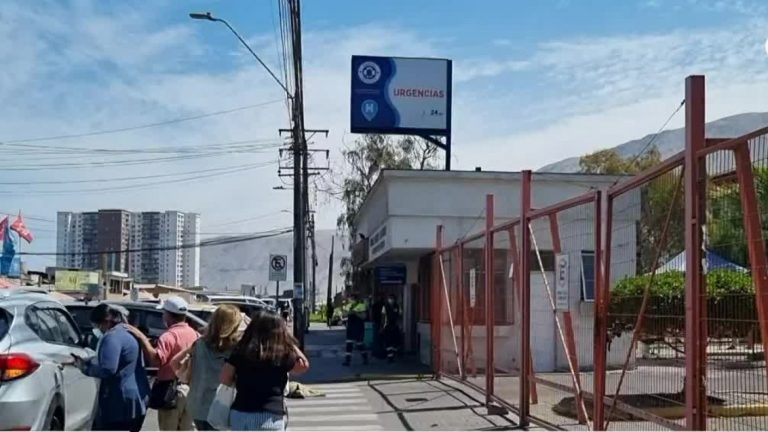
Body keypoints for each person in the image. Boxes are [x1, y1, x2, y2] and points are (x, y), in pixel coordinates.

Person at [221, 310, 310, 430]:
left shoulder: (241, 351)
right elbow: (303, 366)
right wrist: (289, 343)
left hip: (241, 413)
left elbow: (224, 378)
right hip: (270, 415)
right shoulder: (282, 354)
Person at [72, 303, 149, 432]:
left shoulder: (111, 338)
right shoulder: (126, 333)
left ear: (105, 322)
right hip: (136, 399)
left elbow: (108, 369)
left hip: (120, 402)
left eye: (96, 325)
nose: (96, 329)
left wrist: (84, 368)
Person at [127, 296, 199, 431]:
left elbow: (157, 361)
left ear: (168, 315)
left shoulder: (168, 336)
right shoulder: (193, 334)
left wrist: (143, 339)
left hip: (171, 391)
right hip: (191, 389)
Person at [169, 304, 243, 431]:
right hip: (223, 407)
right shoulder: (237, 349)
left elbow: (175, 362)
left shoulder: (199, 343)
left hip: (197, 405)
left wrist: (187, 377)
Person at [342, 293, 369, 366]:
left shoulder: (361, 305)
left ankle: (365, 358)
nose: (350, 300)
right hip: (350, 327)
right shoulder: (348, 306)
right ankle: (347, 361)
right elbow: (344, 314)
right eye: (350, 299)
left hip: (359, 327)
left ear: (356, 299)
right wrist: (347, 313)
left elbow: (364, 316)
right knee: (349, 344)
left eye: (352, 299)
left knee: (359, 344)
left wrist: (355, 313)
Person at [381, 294, 402, 363]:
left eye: (392, 299)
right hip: (387, 326)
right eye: (390, 298)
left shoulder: (397, 306)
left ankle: (393, 354)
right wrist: (382, 326)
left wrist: (400, 325)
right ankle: (390, 357)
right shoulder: (385, 307)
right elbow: (383, 317)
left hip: (395, 326)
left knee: (395, 342)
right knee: (388, 342)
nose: (391, 300)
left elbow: (400, 316)